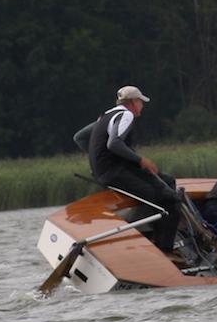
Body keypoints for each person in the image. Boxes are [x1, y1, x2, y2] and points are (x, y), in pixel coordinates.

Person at [78, 85, 184, 256]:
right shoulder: (126, 115)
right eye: (141, 102)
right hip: (116, 172)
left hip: (106, 172)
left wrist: (98, 160)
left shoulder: (106, 116)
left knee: (168, 181)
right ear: (134, 102)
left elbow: (80, 137)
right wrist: (141, 160)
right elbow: (114, 143)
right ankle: (165, 251)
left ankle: (158, 233)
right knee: (171, 200)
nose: (142, 106)